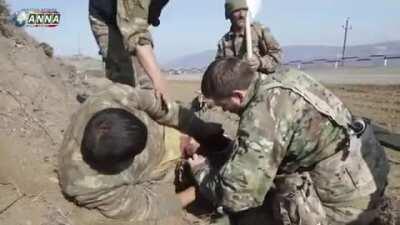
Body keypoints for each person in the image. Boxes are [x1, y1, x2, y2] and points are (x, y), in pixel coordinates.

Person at [183, 58, 389, 225]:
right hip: (368, 168)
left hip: (345, 199)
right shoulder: (283, 77)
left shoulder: (263, 114)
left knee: (245, 218)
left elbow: (238, 196)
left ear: (237, 95)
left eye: (223, 105)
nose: (224, 110)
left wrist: (202, 171)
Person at [58, 83, 223, 224]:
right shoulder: (88, 187)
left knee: (217, 144)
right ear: (121, 164)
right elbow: (150, 207)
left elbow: (156, 106)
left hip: (167, 131)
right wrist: (197, 190)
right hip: (162, 168)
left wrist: (199, 128)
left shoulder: (109, 99)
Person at [88, 0, 168, 94]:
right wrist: (158, 80)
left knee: (148, 81)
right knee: (123, 77)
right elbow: (138, 37)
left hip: (133, 15)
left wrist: (152, 15)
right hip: (106, 18)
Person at [216, 0, 282, 74]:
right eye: (237, 11)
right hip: (237, 83)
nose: (242, 15)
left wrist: (260, 62)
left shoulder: (259, 31)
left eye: (244, 10)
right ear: (229, 15)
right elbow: (219, 69)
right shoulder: (224, 42)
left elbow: (277, 55)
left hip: (264, 82)